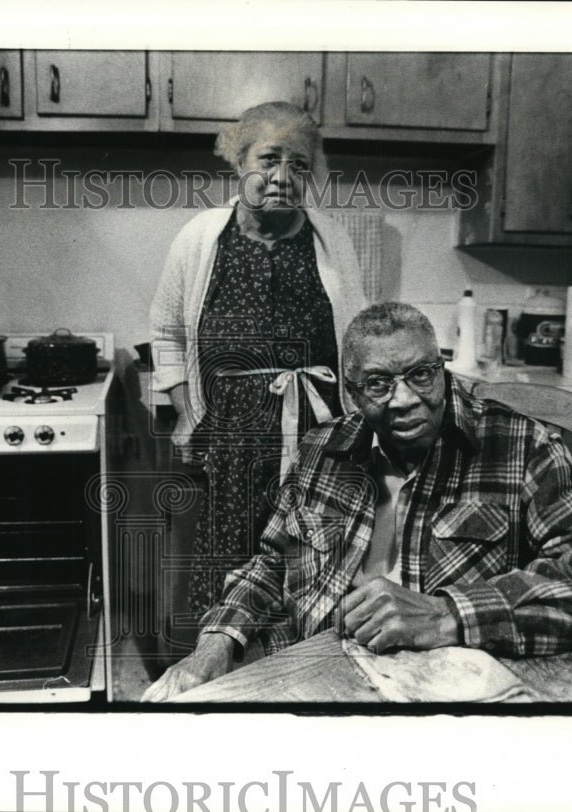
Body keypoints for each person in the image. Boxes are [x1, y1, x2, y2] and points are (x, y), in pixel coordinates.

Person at [143, 302, 572, 701]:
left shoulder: (519, 446)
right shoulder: (322, 448)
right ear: (350, 393)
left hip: (449, 691)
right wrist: (215, 645)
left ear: (441, 368)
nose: (407, 399)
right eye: (378, 384)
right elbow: (274, 563)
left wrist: (447, 615)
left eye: (421, 374)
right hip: (313, 671)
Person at [149, 102, 366, 620]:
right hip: (230, 433)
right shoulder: (201, 236)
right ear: (238, 160)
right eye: (269, 159)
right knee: (232, 560)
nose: (283, 176)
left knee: (312, 561)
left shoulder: (330, 238)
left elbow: (356, 334)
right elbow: (165, 333)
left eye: (299, 165)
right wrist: (186, 412)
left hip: (319, 432)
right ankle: (224, 672)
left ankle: (300, 671)